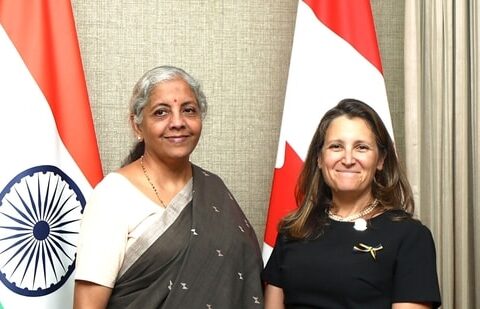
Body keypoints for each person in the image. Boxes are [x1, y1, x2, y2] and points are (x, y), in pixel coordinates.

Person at [73, 65, 264, 308]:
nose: (177, 122)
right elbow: (87, 304)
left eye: (188, 110)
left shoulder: (214, 189)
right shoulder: (113, 196)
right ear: (137, 125)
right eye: (161, 112)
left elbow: (244, 277)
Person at [262, 98, 441, 308]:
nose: (347, 159)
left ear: (381, 160)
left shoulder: (410, 237)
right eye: (336, 146)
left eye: (361, 147)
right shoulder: (293, 230)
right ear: (319, 158)